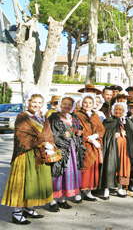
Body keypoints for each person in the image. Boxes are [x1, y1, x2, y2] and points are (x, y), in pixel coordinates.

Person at [2, 89, 55, 225]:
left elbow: (48, 133)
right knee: (22, 183)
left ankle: (29, 208)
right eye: (34, 102)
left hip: (39, 153)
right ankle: (17, 212)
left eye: (39, 102)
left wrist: (50, 145)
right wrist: (42, 143)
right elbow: (22, 137)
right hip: (25, 154)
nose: (36, 105)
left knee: (35, 183)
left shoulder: (42, 117)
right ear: (28, 102)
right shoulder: (22, 116)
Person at [47, 96, 86, 211]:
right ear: (59, 104)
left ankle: (62, 200)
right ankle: (53, 201)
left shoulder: (73, 117)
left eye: (69, 104)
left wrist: (80, 132)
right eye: (65, 104)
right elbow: (51, 133)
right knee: (58, 174)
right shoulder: (54, 117)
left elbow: (79, 128)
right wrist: (62, 136)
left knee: (68, 175)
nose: (67, 106)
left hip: (73, 150)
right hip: (60, 150)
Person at [100, 102, 133, 199]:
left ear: (124, 111)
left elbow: (132, 136)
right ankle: (106, 190)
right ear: (112, 110)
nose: (118, 111)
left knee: (123, 168)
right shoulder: (108, 121)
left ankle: (120, 189)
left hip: (125, 149)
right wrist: (113, 135)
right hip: (112, 148)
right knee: (110, 167)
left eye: (120, 109)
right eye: (116, 109)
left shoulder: (127, 122)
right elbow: (105, 135)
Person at [76, 93, 106, 202]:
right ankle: (78, 192)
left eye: (90, 103)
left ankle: (88, 192)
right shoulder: (77, 114)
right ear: (81, 103)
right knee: (82, 169)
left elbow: (102, 129)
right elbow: (76, 129)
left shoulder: (95, 115)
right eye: (85, 102)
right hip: (82, 145)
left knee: (92, 170)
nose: (87, 105)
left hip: (93, 146)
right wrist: (87, 137)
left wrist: (96, 136)